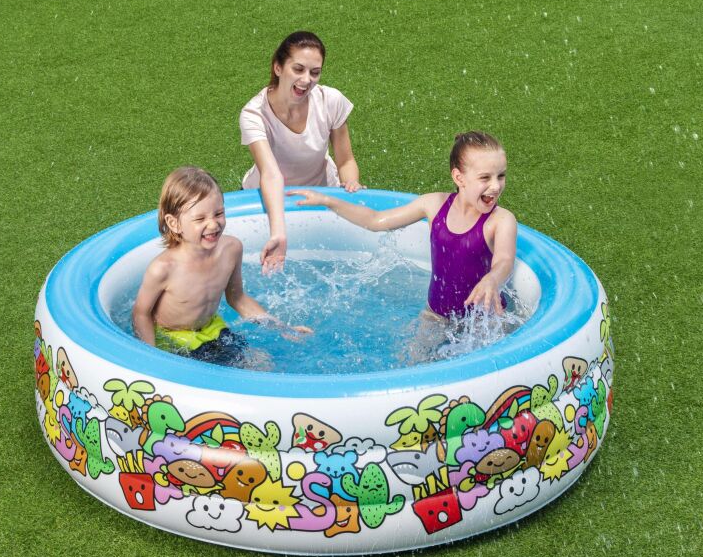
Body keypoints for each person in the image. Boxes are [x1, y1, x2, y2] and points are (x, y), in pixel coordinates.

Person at [288, 131, 517, 354]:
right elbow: (376, 220)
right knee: (411, 360)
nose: (496, 186)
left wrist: (492, 279)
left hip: (484, 319)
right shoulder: (434, 205)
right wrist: (328, 200)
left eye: (501, 176)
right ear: (459, 178)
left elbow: (504, 261)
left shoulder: (501, 220)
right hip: (436, 314)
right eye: (485, 178)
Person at [132, 167, 310, 366]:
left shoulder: (231, 249)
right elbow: (141, 313)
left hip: (212, 328)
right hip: (174, 337)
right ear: (174, 224)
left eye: (218, 213)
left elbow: (237, 298)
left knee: (262, 363)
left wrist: (282, 328)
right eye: (200, 219)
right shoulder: (164, 268)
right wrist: (150, 355)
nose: (213, 224)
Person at [239, 31, 364, 273]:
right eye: (298, 69)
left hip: (322, 192)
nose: (306, 80)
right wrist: (279, 233)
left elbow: (346, 160)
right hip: (268, 197)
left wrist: (350, 184)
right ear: (278, 68)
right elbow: (271, 174)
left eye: (314, 72)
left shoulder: (331, 100)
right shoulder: (254, 114)